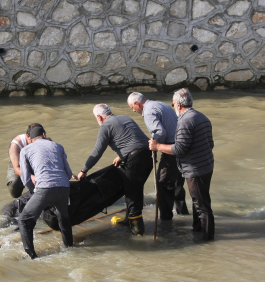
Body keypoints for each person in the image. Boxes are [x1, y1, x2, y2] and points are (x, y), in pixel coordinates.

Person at [76, 104, 153, 236]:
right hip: (149, 156)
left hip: (135, 160)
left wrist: (84, 170)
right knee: (133, 188)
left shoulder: (105, 127)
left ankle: (138, 232)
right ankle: (128, 219)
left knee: (132, 194)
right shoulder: (125, 118)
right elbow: (135, 140)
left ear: (99, 117)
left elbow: (97, 152)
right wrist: (121, 156)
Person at [148, 89, 215, 240]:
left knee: (202, 205)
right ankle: (197, 231)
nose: (173, 107)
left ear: (178, 104)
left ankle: (207, 240)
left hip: (195, 169)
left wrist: (158, 147)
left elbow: (179, 149)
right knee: (200, 201)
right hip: (206, 165)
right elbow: (210, 144)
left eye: (172, 105)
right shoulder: (201, 116)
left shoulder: (185, 121)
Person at [127, 92, 189, 221]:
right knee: (177, 184)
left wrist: (155, 147)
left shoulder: (148, 112)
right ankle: (182, 214)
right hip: (181, 147)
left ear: (137, 104)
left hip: (170, 149)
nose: (133, 111)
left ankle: (166, 219)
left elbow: (159, 132)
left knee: (163, 184)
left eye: (132, 108)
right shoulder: (159, 104)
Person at [18, 124, 74, 259]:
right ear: (44, 134)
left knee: (24, 220)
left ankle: (32, 256)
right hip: (64, 188)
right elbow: (68, 173)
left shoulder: (26, 150)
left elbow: (25, 179)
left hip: (44, 188)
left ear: (30, 139)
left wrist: (34, 192)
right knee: (64, 218)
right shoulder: (58, 146)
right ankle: (71, 248)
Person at [6, 132, 29, 198]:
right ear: (28, 137)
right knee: (14, 185)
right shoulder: (16, 144)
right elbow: (16, 168)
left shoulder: (45, 141)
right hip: (19, 165)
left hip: (35, 163)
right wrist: (31, 177)